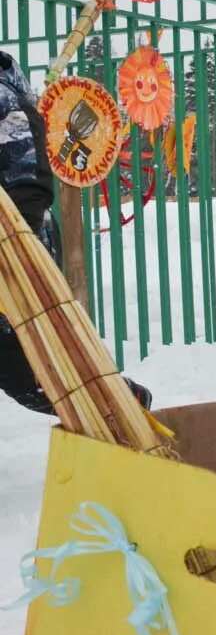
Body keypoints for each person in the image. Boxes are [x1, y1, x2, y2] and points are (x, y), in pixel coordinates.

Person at [0, 52, 152, 414]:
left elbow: (26, 175)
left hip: (13, 247)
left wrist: (18, 247)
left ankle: (117, 406)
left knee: (34, 367)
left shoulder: (3, 97)